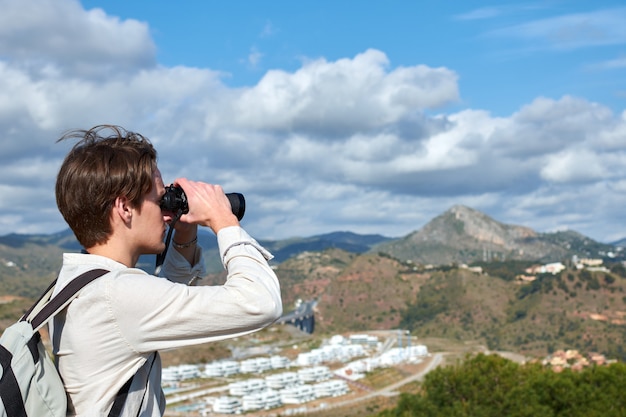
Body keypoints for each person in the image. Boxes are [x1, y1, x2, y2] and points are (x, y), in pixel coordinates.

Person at [51, 125, 282, 416]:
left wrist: (184, 233)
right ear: (124, 207)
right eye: (160, 200)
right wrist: (223, 220)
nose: (166, 212)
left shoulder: (77, 283)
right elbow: (261, 303)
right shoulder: (115, 295)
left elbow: (161, 302)